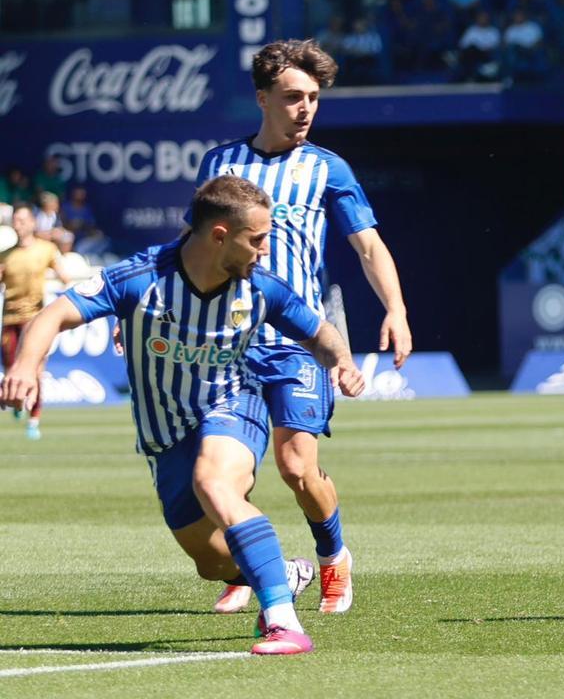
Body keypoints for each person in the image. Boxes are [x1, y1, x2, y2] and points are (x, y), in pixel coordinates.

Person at [2, 175, 367, 655]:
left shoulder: (262, 288)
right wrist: (27, 366)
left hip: (235, 402)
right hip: (162, 433)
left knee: (213, 482)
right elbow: (53, 315)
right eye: (256, 239)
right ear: (220, 235)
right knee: (211, 562)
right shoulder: (139, 279)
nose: (264, 250)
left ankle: (283, 622)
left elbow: (317, 330)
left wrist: (341, 361)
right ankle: (288, 572)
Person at [189, 40, 413, 617]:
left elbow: (368, 247)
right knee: (223, 473)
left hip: (298, 342)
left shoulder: (327, 169)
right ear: (263, 98)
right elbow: (191, 247)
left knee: (296, 469)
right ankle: (251, 568)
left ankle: (334, 556)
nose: (305, 108)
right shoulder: (220, 165)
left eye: (313, 98)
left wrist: (396, 310)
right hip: (226, 343)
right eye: (292, 97)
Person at [0, 204, 72, 440]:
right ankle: (19, 403)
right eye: (16, 221)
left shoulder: (46, 249)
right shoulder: (6, 255)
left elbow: (63, 274)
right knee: (12, 369)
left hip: (35, 320)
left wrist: (64, 282)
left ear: (32, 223)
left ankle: (34, 420)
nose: (19, 225)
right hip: (10, 318)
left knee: (35, 370)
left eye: (23, 220)